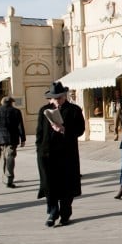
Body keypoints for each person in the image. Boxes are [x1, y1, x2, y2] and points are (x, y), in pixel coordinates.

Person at [36, 81, 85, 227]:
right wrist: (39, 150)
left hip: (66, 154)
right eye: (54, 98)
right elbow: (39, 133)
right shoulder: (44, 110)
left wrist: (64, 129)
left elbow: (80, 130)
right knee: (49, 184)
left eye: (59, 98)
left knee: (67, 185)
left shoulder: (74, 110)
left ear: (64, 96)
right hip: (47, 154)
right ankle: (52, 212)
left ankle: (65, 214)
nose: (56, 101)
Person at [0, 96, 26, 188]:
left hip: (0, 140)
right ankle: (8, 179)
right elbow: (20, 126)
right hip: (12, 139)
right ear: (11, 103)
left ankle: (6, 176)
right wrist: (23, 139)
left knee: (3, 158)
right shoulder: (16, 112)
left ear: (2, 102)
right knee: (10, 158)